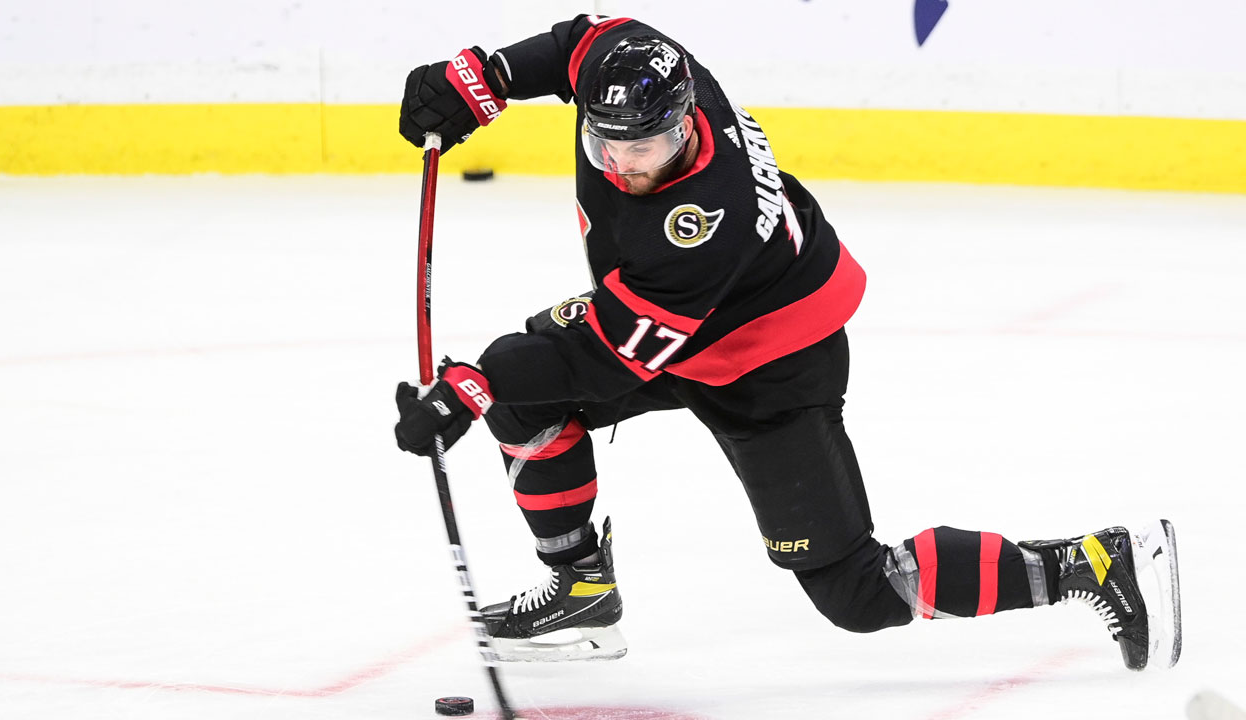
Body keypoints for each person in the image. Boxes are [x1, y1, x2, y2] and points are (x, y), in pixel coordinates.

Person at [393, 14, 1182, 669]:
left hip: (771, 359)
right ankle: (582, 594)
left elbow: (607, 356)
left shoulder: (699, 221)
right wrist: (481, 76)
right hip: (677, 324)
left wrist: (473, 385)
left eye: (645, 148)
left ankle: (1093, 561)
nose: (624, 165)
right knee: (520, 388)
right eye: (608, 145)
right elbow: (579, 41)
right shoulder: (647, 71)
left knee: (857, 595)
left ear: (684, 121)